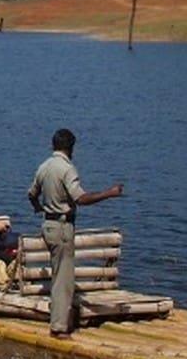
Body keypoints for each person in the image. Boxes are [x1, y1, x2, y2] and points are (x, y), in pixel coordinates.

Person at [27, 129, 124, 339]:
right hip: (62, 227)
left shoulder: (44, 167)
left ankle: (60, 319)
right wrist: (110, 193)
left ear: (53, 145)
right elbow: (80, 198)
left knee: (57, 272)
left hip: (48, 226)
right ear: (71, 148)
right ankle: (59, 328)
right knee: (64, 279)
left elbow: (31, 194)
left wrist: (40, 208)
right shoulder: (67, 169)